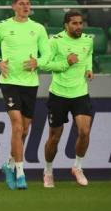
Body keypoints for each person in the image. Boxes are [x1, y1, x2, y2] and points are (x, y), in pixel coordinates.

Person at [0, 0, 51, 190]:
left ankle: (9, 164)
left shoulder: (38, 28)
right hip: (9, 82)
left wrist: (37, 61)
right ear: (13, 6)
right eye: (21, 4)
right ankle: (20, 173)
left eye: (28, 4)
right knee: (17, 126)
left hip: (30, 83)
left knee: (25, 130)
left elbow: (47, 53)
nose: (25, 7)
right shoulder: (2, 26)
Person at [40, 10, 94, 188]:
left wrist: (88, 68)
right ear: (66, 25)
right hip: (59, 94)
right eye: (74, 23)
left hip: (80, 93)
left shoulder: (88, 39)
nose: (78, 26)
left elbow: (88, 56)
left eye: (80, 23)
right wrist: (66, 63)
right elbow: (45, 64)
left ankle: (77, 167)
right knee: (54, 138)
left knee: (84, 132)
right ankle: (48, 172)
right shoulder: (55, 41)